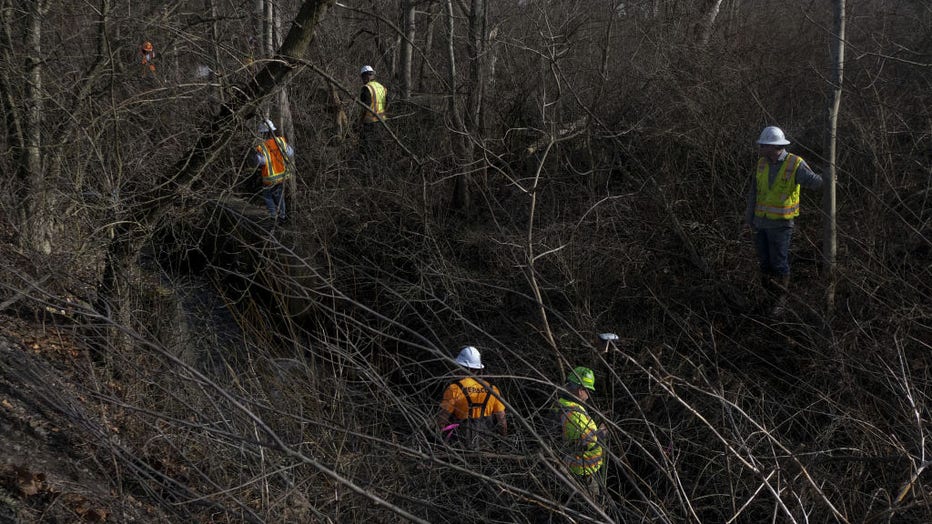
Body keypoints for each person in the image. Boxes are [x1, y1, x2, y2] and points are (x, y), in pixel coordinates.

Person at [745, 126, 823, 316]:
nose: (760, 148)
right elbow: (754, 193)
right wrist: (749, 219)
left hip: (781, 225)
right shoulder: (761, 164)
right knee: (764, 263)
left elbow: (816, 183)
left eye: (763, 145)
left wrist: (831, 179)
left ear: (773, 147)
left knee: (779, 264)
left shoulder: (794, 163)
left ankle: (780, 302)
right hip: (761, 224)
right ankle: (767, 298)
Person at [437, 346, 507, 448]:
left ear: (461, 367)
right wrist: (503, 441)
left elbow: (442, 420)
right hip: (486, 446)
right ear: (478, 369)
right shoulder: (492, 389)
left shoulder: (454, 389)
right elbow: (502, 421)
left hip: (460, 447)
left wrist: (439, 440)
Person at [554, 366, 606, 501]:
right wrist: (601, 434)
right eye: (588, 391)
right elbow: (586, 442)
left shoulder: (564, 404)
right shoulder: (573, 413)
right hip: (581, 474)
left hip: (576, 470)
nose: (589, 396)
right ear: (580, 390)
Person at [253, 119, 294, 224]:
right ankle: (282, 216)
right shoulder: (280, 141)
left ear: (263, 133)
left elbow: (260, 162)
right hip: (282, 176)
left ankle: (273, 216)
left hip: (270, 178)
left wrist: (254, 156)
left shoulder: (262, 146)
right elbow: (290, 153)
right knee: (279, 196)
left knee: (267, 196)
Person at [356, 65, 388, 167]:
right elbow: (388, 104)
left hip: (369, 124)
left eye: (362, 77)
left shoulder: (367, 88)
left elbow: (365, 107)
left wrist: (360, 121)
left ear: (366, 76)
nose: (362, 80)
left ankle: (367, 169)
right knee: (379, 149)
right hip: (382, 122)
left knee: (367, 150)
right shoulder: (382, 87)